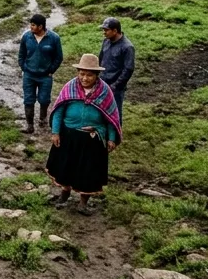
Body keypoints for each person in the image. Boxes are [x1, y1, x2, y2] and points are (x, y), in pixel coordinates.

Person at [46, 54, 123, 215]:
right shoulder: (70, 87)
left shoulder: (105, 92)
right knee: (65, 167)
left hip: (92, 139)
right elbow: (59, 111)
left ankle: (83, 203)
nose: (84, 78)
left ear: (96, 75)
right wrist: (55, 132)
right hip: (69, 136)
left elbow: (110, 117)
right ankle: (64, 195)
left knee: (88, 171)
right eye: (81, 74)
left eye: (89, 75)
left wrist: (111, 138)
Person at [17, 13, 63, 133]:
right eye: (31, 25)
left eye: (33, 25)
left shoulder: (54, 38)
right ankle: (29, 125)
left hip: (45, 77)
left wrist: (51, 70)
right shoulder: (26, 37)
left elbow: (58, 57)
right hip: (29, 75)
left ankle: (43, 119)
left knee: (44, 100)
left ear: (40, 26)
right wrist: (24, 68)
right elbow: (21, 54)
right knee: (28, 99)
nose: (31, 27)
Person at [98, 17, 135, 114]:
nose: (104, 32)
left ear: (115, 31)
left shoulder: (127, 47)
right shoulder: (106, 42)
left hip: (116, 89)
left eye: (106, 30)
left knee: (115, 114)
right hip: (102, 84)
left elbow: (128, 69)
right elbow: (100, 59)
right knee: (100, 111)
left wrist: (115, 86)